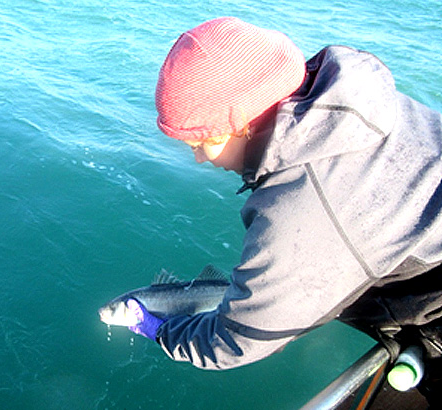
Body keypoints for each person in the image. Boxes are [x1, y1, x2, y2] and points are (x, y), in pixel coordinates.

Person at [127, 17, 442, 406]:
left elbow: (233, 341)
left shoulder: (301, 206)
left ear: (240, 122)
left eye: (203, 141)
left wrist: (160, 331)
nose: (197, 158)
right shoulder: (353, 95)